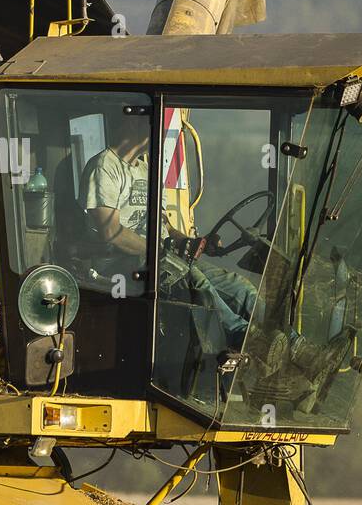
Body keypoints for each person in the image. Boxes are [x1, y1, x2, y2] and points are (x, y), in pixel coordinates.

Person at [82, 111, 256, 350]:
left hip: (162, 256)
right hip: (122, 262)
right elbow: (110, 231)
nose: (160, 132)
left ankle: (289, 342)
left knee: (241, 288)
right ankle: (245, 337)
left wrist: (189, 241)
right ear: (132, 120)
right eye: (152, 121)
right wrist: (159, 250)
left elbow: (164, 224)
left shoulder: (147, 170)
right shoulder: (104, 167)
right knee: (197, 284)